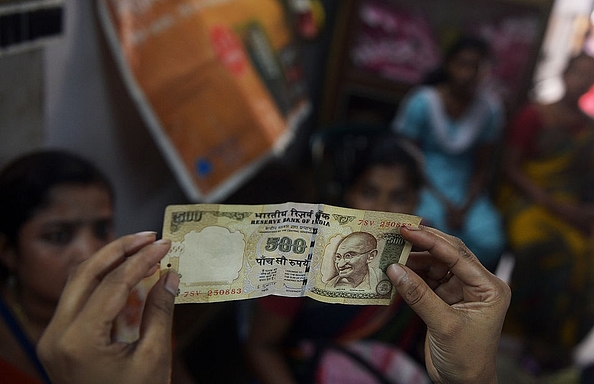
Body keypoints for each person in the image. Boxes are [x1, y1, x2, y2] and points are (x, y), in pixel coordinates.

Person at [36, 225, 511, 384]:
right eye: (57, 236)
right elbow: (262, 345)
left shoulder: (406, 297)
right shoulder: (292, 286)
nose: (85, 252)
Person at [244, 134, 431, 384]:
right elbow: (261, 348)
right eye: (369, 192)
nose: (382, 211)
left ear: (416, 201)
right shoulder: (302, 257)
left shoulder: (424, 255)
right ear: (350, 195)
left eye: (398, 197)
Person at [0, 150, 193, 384]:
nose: (89, 253)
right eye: (59, 236)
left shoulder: (141, 300)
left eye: (101, 230)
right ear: (8, 251)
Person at [497, 52, 594, 374]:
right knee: (547, 249)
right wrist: (552, 204)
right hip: (531, 202)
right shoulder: (534, 116)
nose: (580, 79)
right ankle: (519, 333)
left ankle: (561, 342)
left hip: (576, 211)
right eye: (576, 71)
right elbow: (512, 168)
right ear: (564, 73)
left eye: (588, 74)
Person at [391, 35, 506, 272]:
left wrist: (464, 206)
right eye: (462, 64)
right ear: (448, 65)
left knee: (491, 242)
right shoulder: (422, 102)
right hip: (422, 181)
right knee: (423, 233)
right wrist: (443, 202)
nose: (468, 73)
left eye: (476, 67)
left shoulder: (490, 111)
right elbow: (404, 156)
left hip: (464, 188)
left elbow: (482, 166)